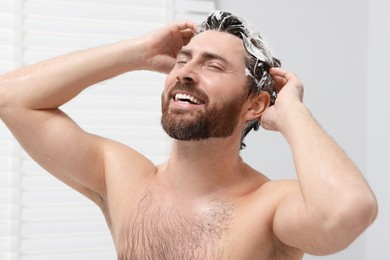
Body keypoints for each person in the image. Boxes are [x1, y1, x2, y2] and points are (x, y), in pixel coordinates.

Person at [0, 11, 377, 260]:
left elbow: (348, 211)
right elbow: (11, 98)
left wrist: (292, 111)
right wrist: (136, 53)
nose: (186, 72)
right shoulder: (124, 179)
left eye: (213, 64)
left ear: (255, 105)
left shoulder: (269, 206)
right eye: (183, 59)